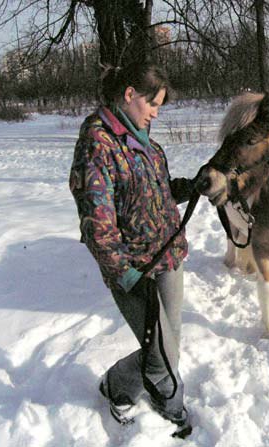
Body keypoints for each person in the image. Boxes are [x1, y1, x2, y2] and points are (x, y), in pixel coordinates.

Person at [69, 63, 195, 439]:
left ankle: (121, 384)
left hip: (168, 255)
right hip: (132, 268)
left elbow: (155, 192)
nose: (156, 112)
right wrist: (124, 274)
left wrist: (189, 187)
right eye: (153, 103)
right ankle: (168, 405)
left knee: (168, 346)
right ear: (129, 94)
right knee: (160, 353)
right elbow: (97, 223)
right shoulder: (98, 143)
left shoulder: (144, 138)